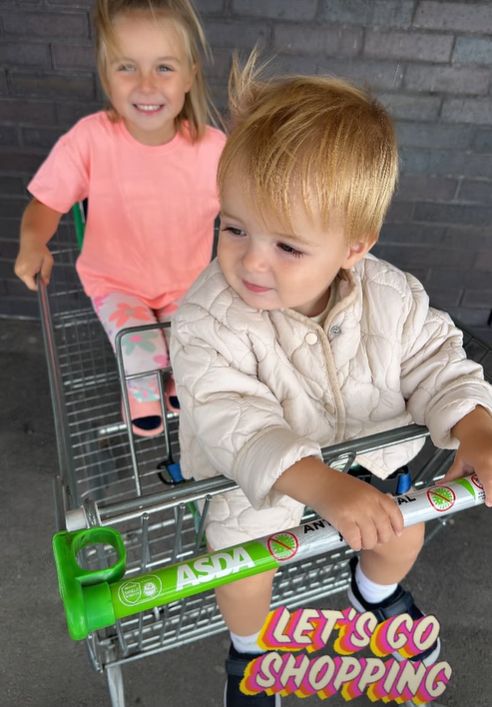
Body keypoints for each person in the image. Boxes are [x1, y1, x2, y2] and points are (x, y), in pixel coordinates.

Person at [170, 54, 492, 707]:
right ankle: (250, 651)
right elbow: (234, 418)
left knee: (403, 531)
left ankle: (371, 595)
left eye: (287, 246)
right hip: (255, 481)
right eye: (233, 227)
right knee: (243, 564)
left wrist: (475, 424)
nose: (251, 259)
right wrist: (320, 485)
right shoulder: (208, 318)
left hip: (370, 458)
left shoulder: (393, 297)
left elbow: (437, 359)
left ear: (354, 246)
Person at [14, 0, 225, 436]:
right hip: (116, 282)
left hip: (188, 282)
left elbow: (253, 205)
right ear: (106, 74)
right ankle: (148, 381)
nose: (146, 85)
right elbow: (47, 203)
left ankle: (173, 377)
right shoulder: (90, 139)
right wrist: (33, 242)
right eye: (127, 67)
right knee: (142, 348)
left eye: (164, 68)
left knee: (197, 346)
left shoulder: (214, 149)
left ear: (190, 74)